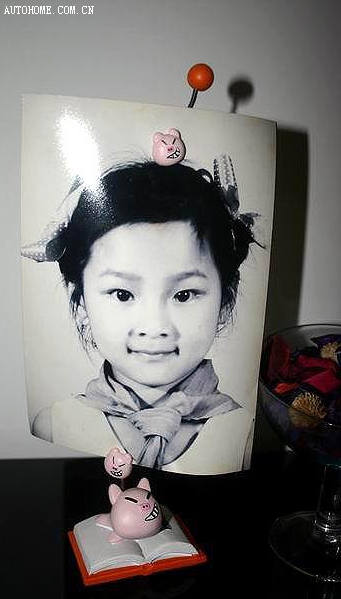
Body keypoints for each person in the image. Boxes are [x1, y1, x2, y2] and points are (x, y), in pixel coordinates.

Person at [25, 158, 262, 474]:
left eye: (183, 295)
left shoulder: (245, 437)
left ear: (226, 300)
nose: (154, 326)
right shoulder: (55, 426)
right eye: (122, 294)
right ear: (81, 303)